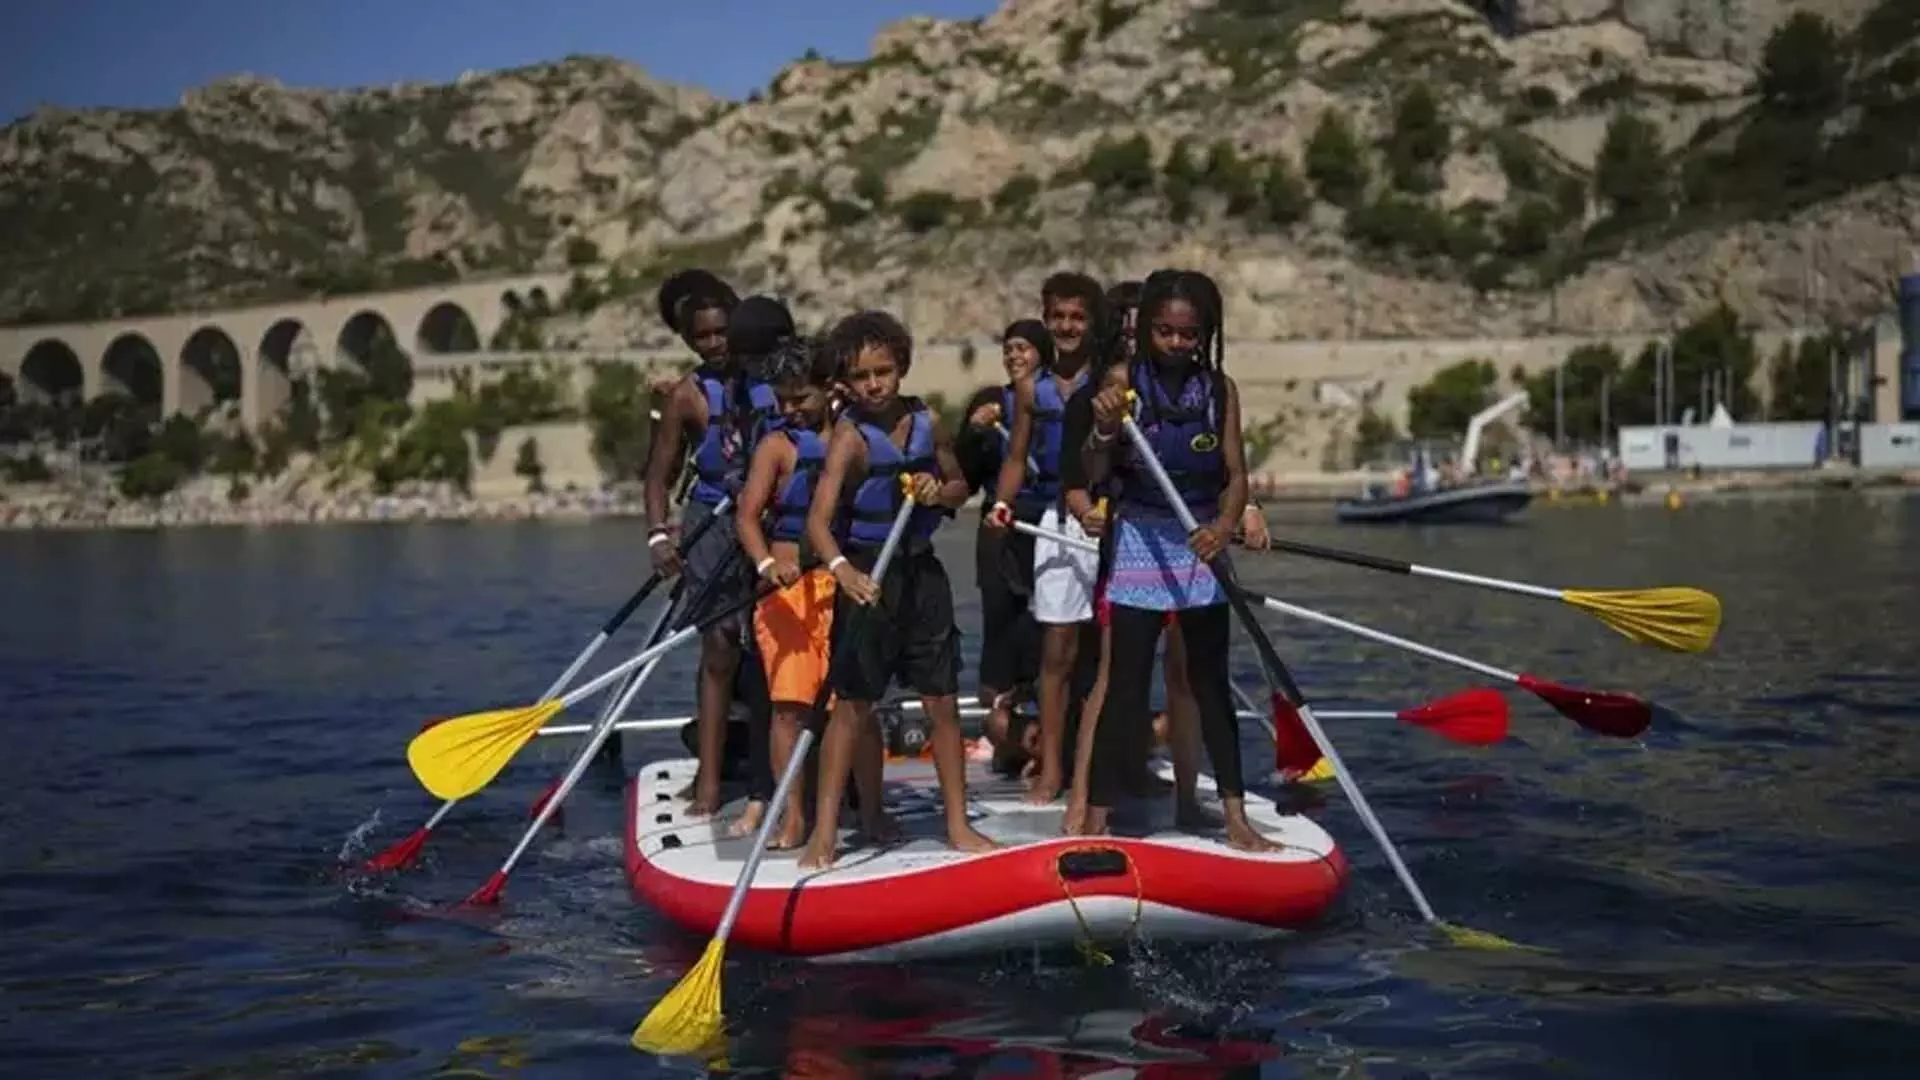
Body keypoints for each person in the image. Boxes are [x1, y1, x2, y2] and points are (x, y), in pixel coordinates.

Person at [1079, 268, 1276, 851]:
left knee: (1209, 682)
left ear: (1205, 334)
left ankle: (1234, 815)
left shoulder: (1221, 391)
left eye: (1188, 335)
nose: (1176, 344)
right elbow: (1093, 470)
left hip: (1199, 543)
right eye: (1164, 332)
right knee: (1127, 686)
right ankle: (1096, 816)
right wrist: (1103, 428)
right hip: (1141, 536)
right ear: (1146, 332)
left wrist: (1222, 525)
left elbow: (1236, 475)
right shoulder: (1122, 380)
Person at [799, 310, 997, 870]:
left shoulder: (926, 422)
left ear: (901, 368)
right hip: (864, 575)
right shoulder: (848, 440)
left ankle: (958, 826)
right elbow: (817, 521)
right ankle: (826, 834)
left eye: (883, 372)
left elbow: (960, 488)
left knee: (941, 701)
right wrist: (841, 570)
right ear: (846, 381)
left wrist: (940, 492)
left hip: (919, 571)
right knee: (852, 707)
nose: (874, 385)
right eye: (861, 377)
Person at [642, 270, 762, 816]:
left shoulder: (767, 377)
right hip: (710, 525)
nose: (714, 345)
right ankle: (709, 782)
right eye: (702, 337)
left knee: (769, 655)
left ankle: (773, 776)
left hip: (766, 520)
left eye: (721, 333)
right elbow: (656, 476)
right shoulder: (687, 397)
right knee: (719, 650)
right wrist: (658, 536)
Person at [986, 272, 1105, 804]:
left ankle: (1099, 766)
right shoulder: (1031, 390)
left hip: (1111, 521)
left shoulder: (1111, 382)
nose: (1067, 326)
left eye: (1077, 317)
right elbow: (1015, 459)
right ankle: (1053, 766)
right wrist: (1002, 504)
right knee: (1057, 649)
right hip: (1057, 525)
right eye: (1058, 317)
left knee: (1104, 649)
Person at [732, 335, 842, 849]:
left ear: (828, 389)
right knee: (788, 707)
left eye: (802, 399)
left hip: (840, 584)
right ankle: (792, 815)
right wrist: (766, 562)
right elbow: (748, 517)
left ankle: (849, 811)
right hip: (788, 592)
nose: (792, 410)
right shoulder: (776, 447)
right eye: (783, 401)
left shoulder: (851, 436)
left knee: (846, 705)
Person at [953, 323, 1047, 726]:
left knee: (1046, 627)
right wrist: (974, 433)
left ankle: (1049, 716)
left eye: (1023, 349)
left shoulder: (1058, 400)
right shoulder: (990, 402)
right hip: (1001, 528)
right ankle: (997, 717)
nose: (1014, 357)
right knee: (1000, 622)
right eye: (1008, 350)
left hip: (1047, 526)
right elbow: (965, 474)